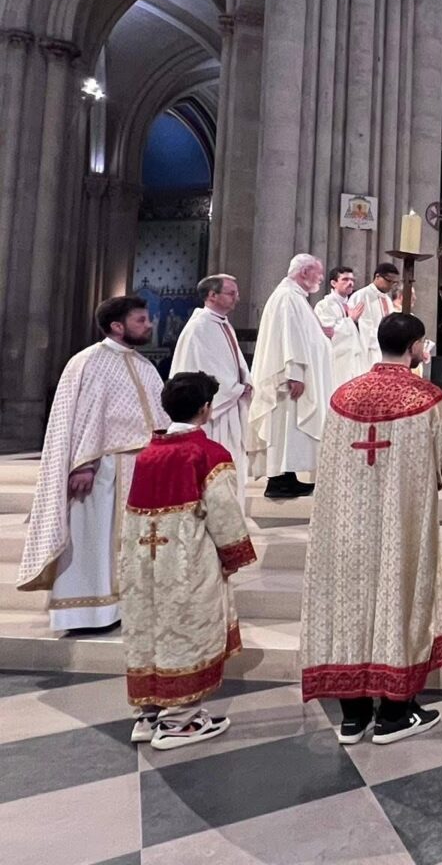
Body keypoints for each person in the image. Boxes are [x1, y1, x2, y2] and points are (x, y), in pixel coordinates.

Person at [300, 312, 442, 745]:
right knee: (400, 601)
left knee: (349, 606)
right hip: (400, 525)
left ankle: (352, 716)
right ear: (414, 348)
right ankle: (394, 713)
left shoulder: (341, 398)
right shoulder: (426, 399)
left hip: (346, 528)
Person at [17, 296, 169, 633]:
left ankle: (125, 606)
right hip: (101, 470)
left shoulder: (144, 366)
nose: (149, 325)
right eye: (141, 320)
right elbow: (82, 416)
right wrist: (82, 465)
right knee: (94, 541)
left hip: (139, 468)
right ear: (117, 326)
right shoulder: (88, 362)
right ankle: (86, 612)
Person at [121, 371, 256, 749]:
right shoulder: (208, 455)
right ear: (206, 408)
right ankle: (179, 722)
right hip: (188, 564)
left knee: (150, 632)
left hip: (145, 566)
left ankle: (148, 715)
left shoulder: (147, 455)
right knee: (188, 632)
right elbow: (224, 515)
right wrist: (235, 555)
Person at [248, 254, 334, 499]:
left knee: (289, 429)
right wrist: (294, 373)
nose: (320, 277)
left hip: (298, 376)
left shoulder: (294, 296)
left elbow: (302, 333)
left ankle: (286, 477)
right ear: (305, 271)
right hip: (291, 380)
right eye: (318, 272)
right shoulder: (287, 297)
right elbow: (289, 337)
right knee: (286, 425)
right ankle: (278, 480)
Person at [168, 274, 253, 504]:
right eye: (231, 293)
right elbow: (203, 370)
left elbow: (234, 364)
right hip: (212, 413)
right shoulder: (200, 327)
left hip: (229, 407)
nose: (237, 298)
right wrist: (235, 389)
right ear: (212, 295)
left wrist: (246, 383)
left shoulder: (221, 323)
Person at [313, 265, 370, 390]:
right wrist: (350, 320)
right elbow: (328, 333)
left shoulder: (352, 305)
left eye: (352, 280)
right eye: (345, 280)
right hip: (336, 362)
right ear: (333, 283)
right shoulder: (324, 306)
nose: (350, 283)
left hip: (354, 360)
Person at [350, 262, 400, 364]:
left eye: (394, 283)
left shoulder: (387, 299)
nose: (391, 285)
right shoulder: (361, 296)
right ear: (377, 276)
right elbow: (358, 326)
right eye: (389, 281)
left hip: (384, 351)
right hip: (367, 350)